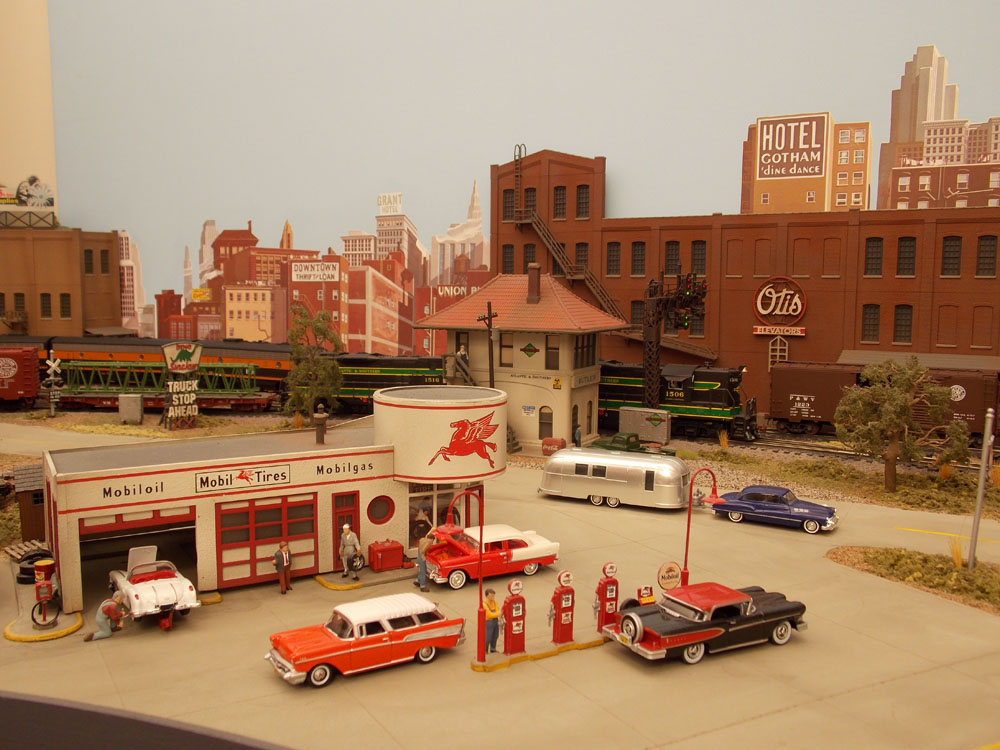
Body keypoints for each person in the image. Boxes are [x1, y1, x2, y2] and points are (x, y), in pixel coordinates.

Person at [483, 588, 500, 654]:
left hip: (495, 621)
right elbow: (489, 615)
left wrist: (496, 614)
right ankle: (485, 651)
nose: (493, 597)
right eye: (491, 596)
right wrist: (498, 614)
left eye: (493, 596)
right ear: (487, 596)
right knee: (488, 637)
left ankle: (493, 649)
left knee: (495, 635)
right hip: (488, 622)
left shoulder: (495, 602)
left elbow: (497, 610)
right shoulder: (484, 604)